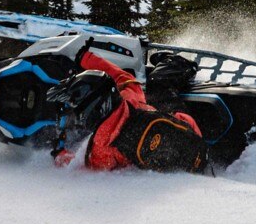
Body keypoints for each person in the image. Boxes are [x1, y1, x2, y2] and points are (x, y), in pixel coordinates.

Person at [48, 47, 208, 173]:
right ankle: (174, 63)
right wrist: (86, 58)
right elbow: (121, 76)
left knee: (158, 105)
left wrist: (59, 154)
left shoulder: (102, 148)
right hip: (191, 131)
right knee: (158, 87)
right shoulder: (129, 98)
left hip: (185, 166)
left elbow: (79, 166)